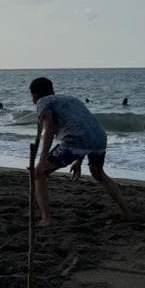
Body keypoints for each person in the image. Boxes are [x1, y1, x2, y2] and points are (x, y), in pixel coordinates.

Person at [30, 77, 132, 228]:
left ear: (35, 94)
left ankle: (46, 218)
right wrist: (78, 160)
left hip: (75, 141)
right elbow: (83, 127)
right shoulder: (71, 99)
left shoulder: (43, 102)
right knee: (98, 173)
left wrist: (43, 160)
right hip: (99, 138)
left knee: (39, 174)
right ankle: (127, 213)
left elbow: (49, 129)